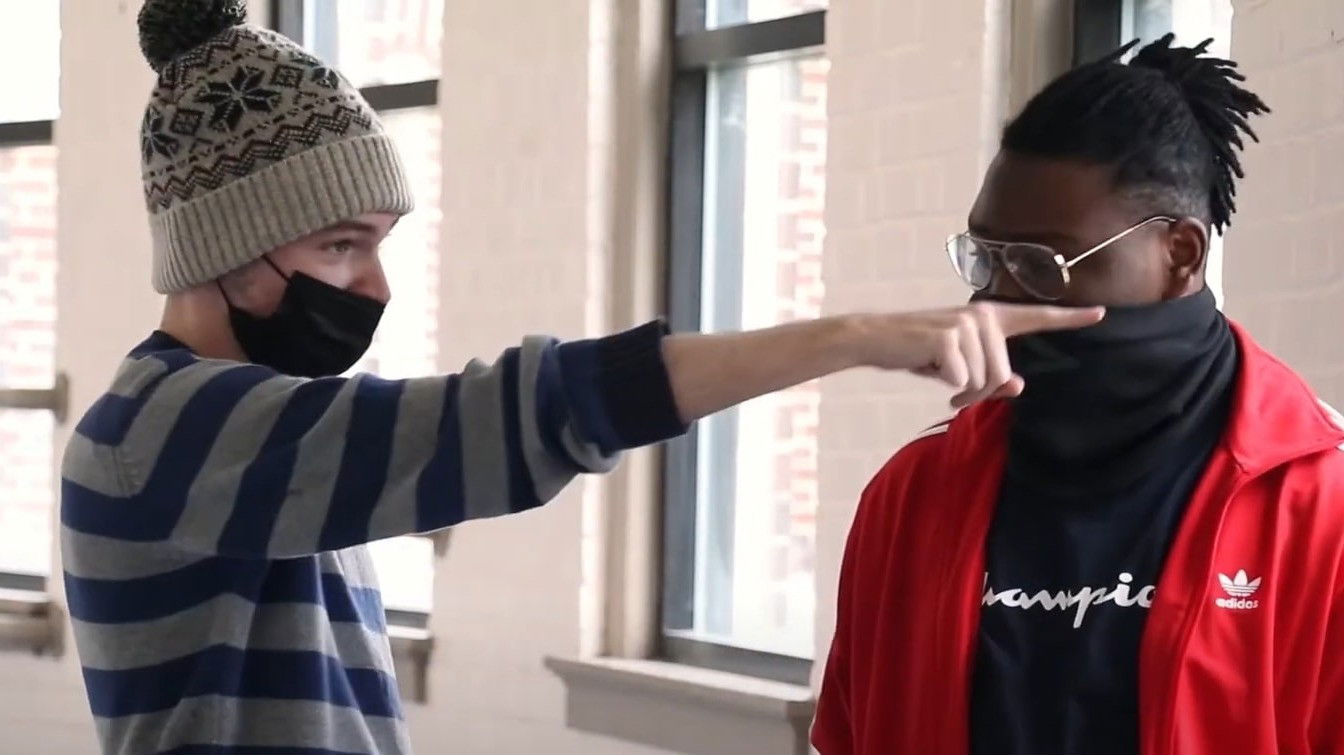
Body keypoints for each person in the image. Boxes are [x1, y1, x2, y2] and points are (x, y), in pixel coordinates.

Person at [60, 2, 1103, 753]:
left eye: (377, 244)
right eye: (341, 245)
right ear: (226, 245)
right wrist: (856, 336)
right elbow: (518, 413)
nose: (374, 284)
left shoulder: (253, 432)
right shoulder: (164, 435)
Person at [813, 35, 1344, 755]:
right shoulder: (911, 497)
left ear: (1180, 254)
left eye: (1041, 264)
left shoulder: (1320, 510)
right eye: (987, 257)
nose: (997, 301)